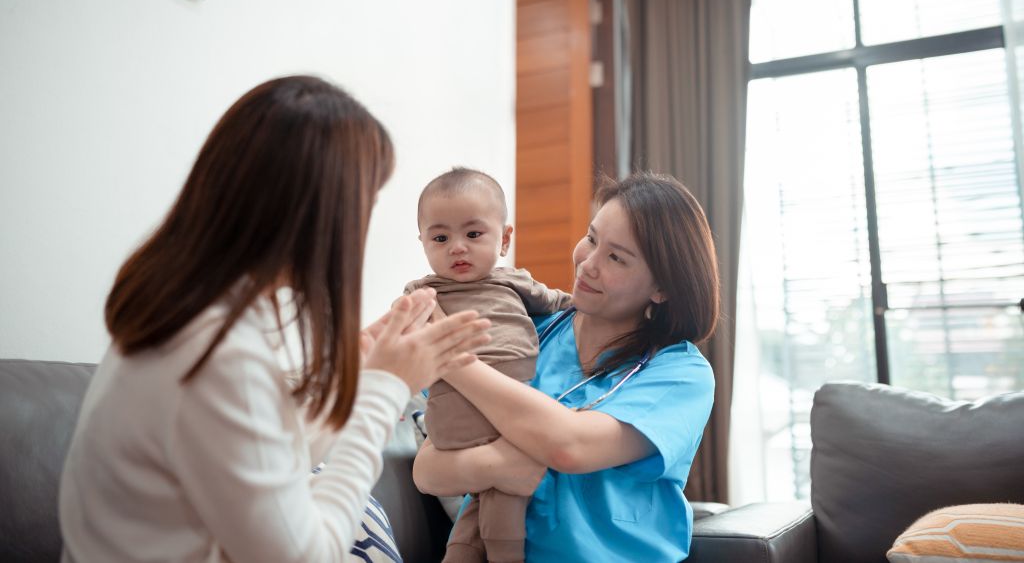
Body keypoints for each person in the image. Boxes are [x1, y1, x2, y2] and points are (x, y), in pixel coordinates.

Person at [58, 75, 492, 563]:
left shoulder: (188, 314)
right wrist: (382, 393)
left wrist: (355, 387)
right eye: (364, 203)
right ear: (321, 212)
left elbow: (256, 470)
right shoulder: (215, 352)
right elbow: (308, 554)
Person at [414, 172, 720, 562]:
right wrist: (500, 465)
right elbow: (428, 470)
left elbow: (571, 446)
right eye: (592, 239)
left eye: (616, 258)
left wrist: (451, 357)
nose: (587, 264)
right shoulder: (521, 332)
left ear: (662, 289)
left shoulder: (679, 374)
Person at [405, 167, 572, 563]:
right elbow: (401, 339)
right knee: (505, 495)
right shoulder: (424, 294)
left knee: (484, 500)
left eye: (473, 234)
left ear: (505, 239)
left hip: (511, 405)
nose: (457, 247)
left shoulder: (514, 282)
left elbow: (565, 305)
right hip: (459, 410)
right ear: (424, 243)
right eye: (440, 237)